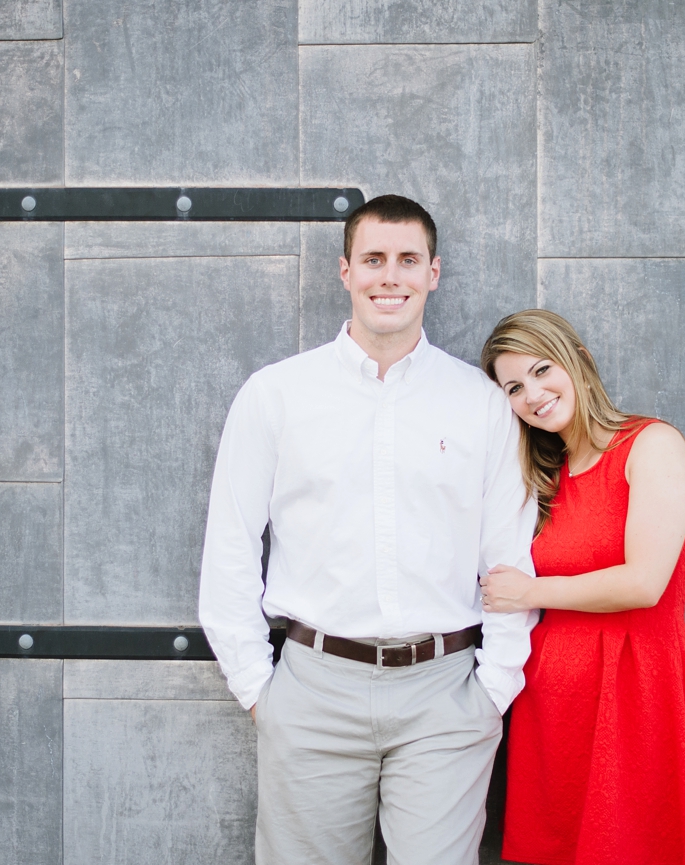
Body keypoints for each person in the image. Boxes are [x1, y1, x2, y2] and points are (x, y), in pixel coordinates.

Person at [199, 195, 538, 865]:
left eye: (408, 260)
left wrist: (493, 690)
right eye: (375, 259)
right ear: (345, 271)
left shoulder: (479, 403)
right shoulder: (276, 395)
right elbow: (231, 547)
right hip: (313, 690)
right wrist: (260, 691)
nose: (392, 276)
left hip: (446, 696)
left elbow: (509, 555)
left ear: (433, 273)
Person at [478, 309, 685, 865]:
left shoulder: (651, 445)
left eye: (543, 370)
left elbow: (645, 583)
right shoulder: (548, 475)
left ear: (580, 362)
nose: (533, 394)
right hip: (555, 703)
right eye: (514, 387)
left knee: (636, 845)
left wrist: (530, 592)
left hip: (639, 686)